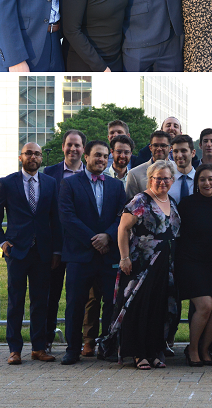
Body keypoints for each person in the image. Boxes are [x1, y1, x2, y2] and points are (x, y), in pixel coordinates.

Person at [100, 159, 180, 369]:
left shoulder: (171, 201)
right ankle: (138, 353)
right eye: (157, 178)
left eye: (166, 178)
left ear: (172, 180)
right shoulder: (140, 201)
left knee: (157, 308)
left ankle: (154, 352)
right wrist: (124, 258)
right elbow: (123, 229)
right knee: (138, 308)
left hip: (164, 265)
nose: (162, 182)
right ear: (149, 179)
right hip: (140, 264)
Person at [0, 143, 61, 365]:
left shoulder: (50, 182)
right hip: (17, 251)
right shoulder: (7, 183)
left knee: (41, 301)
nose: (33, 157)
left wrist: (56, 250)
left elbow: (55, 219)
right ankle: (15, 349)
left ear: (41, 158)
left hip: (43, 252)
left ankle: (38, 348)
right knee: (15, 301)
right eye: (28, 153)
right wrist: (2, 242)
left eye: (37, 154)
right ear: (21, 157)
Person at [58, 141, 125, 366]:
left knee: (110, 303)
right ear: (86, 156)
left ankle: (106, 346)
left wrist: (107, 235)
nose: (101, 160)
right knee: (75, 304)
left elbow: (121, 217)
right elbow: (67, 217)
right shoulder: (70, 184)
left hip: (108, 255)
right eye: (97, 155)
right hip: (80, 255)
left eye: (105, 156)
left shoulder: (116, 187)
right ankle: (72, 349)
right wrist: (93, 240)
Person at [175, 164, 212, 366]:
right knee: (205, 305)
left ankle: (205, 349)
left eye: (211, 179)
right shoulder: (186, 204)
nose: (207, 183)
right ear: (197, 182)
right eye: (203, 179)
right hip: (189, 260)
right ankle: (193, 348)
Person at [42, 130, 85, 353]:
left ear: (83, 149)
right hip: (56, 246)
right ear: (63, 147)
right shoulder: (49, 174)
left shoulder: (92, 174)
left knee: (78, 298)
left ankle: (79, 343)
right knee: (52, 295)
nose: (73, 149)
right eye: (69, 145)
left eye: (77, 145)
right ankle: (47, 339)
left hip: (82, 247)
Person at [126, 131, 171, 199]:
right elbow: (130, 205)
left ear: (170, 148)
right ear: (150, 148)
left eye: (163, 145)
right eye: (155, 145)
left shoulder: (178, 171)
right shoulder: (135, 174)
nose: (159, 148)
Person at [168, 134, 196, 205]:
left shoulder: (201, 181)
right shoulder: (166, 181)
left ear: (193, 153)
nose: (179, 156)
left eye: (183, 151)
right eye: (176, 151)